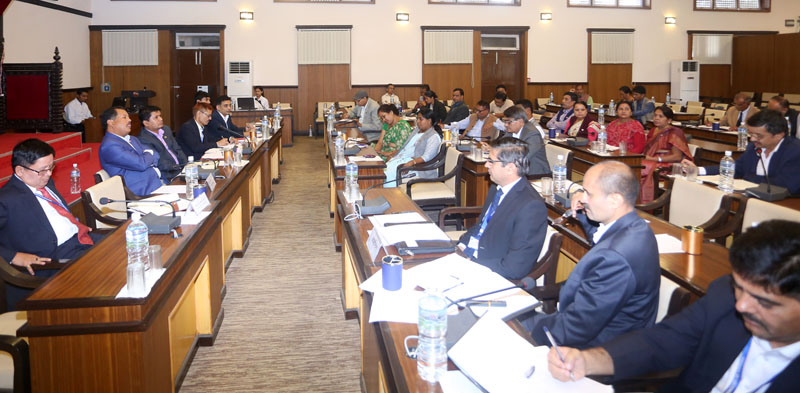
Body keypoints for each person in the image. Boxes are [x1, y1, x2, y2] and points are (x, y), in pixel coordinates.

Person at [548, 219, 800, 392]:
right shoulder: (724, 296)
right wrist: (586, 360)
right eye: (739, 287)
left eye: (764, 302)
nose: (742, 305)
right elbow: (662, 341)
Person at [522, 161, 660, 348]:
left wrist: (530, 335)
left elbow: (576, 328)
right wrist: (583, 212)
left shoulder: (616, 257)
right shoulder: (635, 226)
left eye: (588, 193)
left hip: (597, 349)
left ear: (615, 200)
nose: (582, 198)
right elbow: (602, 238)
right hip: (578, 324)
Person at [0, 139, 103, 310]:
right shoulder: (6, 199)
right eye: (42, 170)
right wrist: (13, 256)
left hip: (79, 239)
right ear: (20, 170)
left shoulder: (46, 183)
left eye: (51, 167)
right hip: (52, 258)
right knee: (110, 268)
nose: (48, 174)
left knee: (125, 243)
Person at [457, 137, 547, 280]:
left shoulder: (531, 206)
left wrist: (470, 265)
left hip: (491, 272)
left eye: (491, 161)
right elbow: (481, 225)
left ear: (510, 167)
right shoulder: (497, 188)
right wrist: (461, 246)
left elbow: (515, 267)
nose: (486, 165)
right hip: (472, 256)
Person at [683, 110, 800, 195]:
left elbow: (786, 186)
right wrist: (698, 170)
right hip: (752, 198)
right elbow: (735, 169)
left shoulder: (795, 151)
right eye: (751, 134)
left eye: (758, 136)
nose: (752, 139)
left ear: (778, 135)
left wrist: (747, 177)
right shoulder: (753, 147)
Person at [98, 107, 163, 197]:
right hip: (142, 193)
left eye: (128, 117)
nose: (130, 120)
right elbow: (141, 164)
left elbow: (155, 154)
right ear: (111, 122)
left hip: (156, 183)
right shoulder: (110, 146)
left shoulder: (132, 139)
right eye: (124, 117)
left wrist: (147, 156)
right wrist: (148, 155)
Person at [640, 106, 693, 202]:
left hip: (667, 165)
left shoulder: (674, 133)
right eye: (655, 115)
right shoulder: (653, 130)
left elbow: (677, 157)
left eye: (661, 116)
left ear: (669, 120)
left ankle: (644, 202)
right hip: (650, 160)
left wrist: (655, 159)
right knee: (633, 166)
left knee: (640, 169)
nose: (656, 118)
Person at [384, 108, 442, 187]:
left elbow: (427, 157)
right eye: (417, 119)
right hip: (402, 159)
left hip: (417, 167)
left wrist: (412, 162)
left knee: (388, 173)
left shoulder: (433, 136)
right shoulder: (416, 131)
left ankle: (391, 197)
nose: (417, 121)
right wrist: (393, 156)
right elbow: (404, 147)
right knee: (382, 170)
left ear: (429, 120)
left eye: (421, 119)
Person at [138, 106, 187, 183]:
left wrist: (186, 164)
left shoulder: (166, 129)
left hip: (182, 169)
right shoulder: (143, 139)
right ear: (146, 123)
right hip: (168, 174)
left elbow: (177, 149)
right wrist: (178, 168)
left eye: (160, 116)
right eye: (156, 117)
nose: (161, 119)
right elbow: (158, 162)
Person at [502, 106, 550, 176]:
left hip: (535, 174)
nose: (506, 125)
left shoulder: (532, 133)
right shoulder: (511, 131)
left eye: (509, 122)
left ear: (520, 121)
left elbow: (524, 156)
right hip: (518, 168)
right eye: (505, 121)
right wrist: (491, 148)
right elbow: (501, 145)